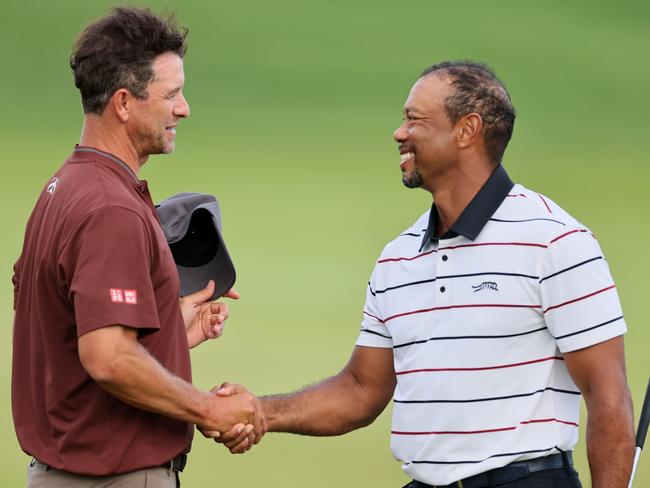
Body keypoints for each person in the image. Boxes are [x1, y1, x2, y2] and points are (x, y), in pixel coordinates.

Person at [216, 61, 634, 487]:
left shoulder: (553, 240)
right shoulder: (399, 258)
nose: (399, 133)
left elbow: (608, 394)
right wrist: (263, 412)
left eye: (414, 120)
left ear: (467, 130)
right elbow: (361, 389)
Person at [11, 7, 264, 487]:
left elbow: (68, 334)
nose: (184, 108)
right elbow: (107, 357)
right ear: (124, 103)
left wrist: (166, 336)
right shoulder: (112, 209)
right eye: (172, 95)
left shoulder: (64, 187)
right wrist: (209, 408)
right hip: (112, 476)